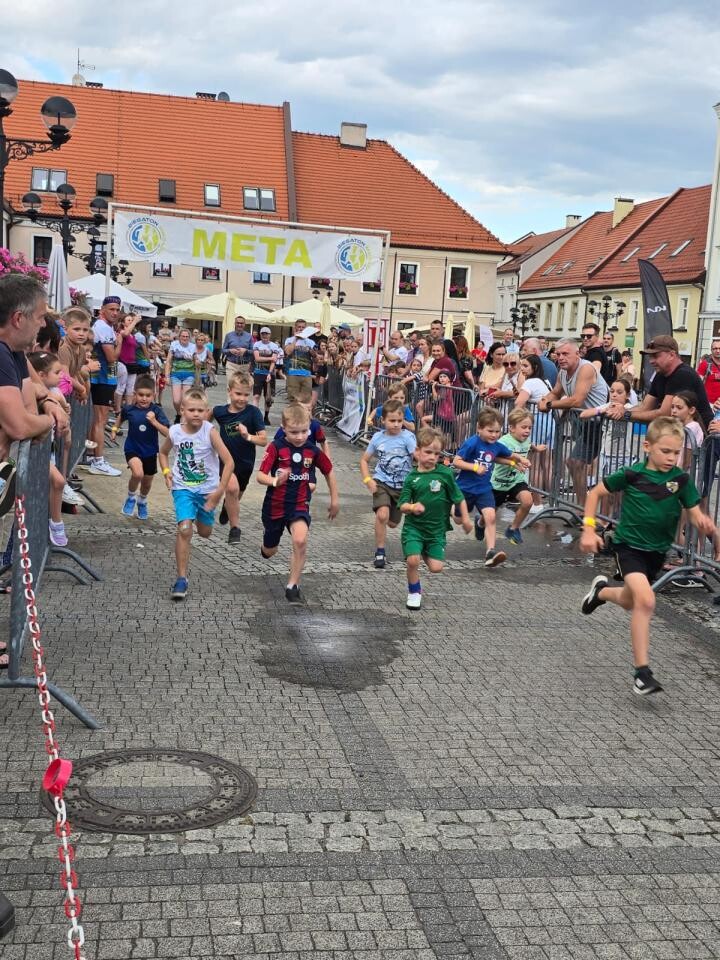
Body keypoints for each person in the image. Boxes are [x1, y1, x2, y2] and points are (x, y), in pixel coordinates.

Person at [580, 417, 716, 696]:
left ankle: (602, 592)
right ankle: (642, 673)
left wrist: (702, 520)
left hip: (656, 552)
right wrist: (588, 529)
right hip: (628, 547)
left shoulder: (680, 480)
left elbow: (692, 510)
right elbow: (594, 494)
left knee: (631, 600)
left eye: (676, 452)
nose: (671, 457)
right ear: (647, 446)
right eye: (665, 451)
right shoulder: (631, 475)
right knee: (646, 600)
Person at [257, 403, 339, 603]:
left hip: (299, 504)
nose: (300, 436)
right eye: (294, 432)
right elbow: (260, 476)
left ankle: (293, 585)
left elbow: (328, 471)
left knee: (300, 540)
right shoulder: (276, 447)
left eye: (304, 431)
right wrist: (275, 481)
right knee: (270, 551)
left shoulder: (312, 451)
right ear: (283, 429)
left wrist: (334, 499)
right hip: (275, 506)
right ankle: (267, 546)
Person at [159, 389, 234, 600]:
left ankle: (204, 520)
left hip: (207, 491)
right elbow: (163, 453)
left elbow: (229, 461)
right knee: (184, 529)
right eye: (191, 410)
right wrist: (166, 473)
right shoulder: (174, 432)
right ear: (182, 410)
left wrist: (220, 490)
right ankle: (181, 578)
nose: (196, 414)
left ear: (206, 411)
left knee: (205, 532)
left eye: (200, 410)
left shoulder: (210, 432)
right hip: (183, 489)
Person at [399, 425, 473, 610]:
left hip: (436, 530)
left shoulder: (445, 474)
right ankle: (414, 592)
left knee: (436, 567)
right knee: (413, 561)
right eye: (428, 452)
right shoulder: (411, 478)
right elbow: (402, 505)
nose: (432, 457)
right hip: (414, 528)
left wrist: (465, 519)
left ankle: (422, 549)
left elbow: (459, 498)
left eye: (437, 453)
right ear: (417, 452)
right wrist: (413, 506)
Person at [538, 338, 609, 507]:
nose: (561, 357)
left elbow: (577, 400)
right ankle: (582, 506)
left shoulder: (585, 369)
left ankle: (584, 508)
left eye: (565, 354)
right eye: (558, 354)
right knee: (576, 464)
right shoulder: (563, 371)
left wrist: (549, 404)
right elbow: (556, 392)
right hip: (581, 421)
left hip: (597, 423)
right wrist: (544, 399)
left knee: (575, 463)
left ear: (577, 354)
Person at [453, 408, 528, 567]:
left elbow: (504, 456)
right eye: (490, 431)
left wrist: (518, 461)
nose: (494, 435)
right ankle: (452, 509)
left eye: (497, 431)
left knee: (491, 516)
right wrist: (474, 467)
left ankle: (490, 552)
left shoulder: (496, 445)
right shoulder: (472, 443)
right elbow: (456, 461)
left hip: (484, 489)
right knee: (458, 520)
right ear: (479, 428)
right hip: (465, 488)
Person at [360, 398, 417, 569]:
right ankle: (380, 551)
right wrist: (368, 479)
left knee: (392, 523)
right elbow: (364, 460)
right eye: (392, 421)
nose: (396, 424)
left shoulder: (408, 437)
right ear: (383, 420)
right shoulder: (377, 438)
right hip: (382, 482)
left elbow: (418, 457)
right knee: (382, 515)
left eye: (399, 421)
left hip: (402, 486)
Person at [211, 372, 267, 544]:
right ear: (229, 391)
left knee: (236, 494)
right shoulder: (219, 411)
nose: (242, 398)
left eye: (246, 394)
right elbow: (203, 422)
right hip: (225, 461)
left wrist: (247, 436)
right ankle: (235, 529)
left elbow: (263, 440)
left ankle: (227, 508)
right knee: (232, 489)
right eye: (238, 393)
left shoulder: (253, 413)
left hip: (245, 464)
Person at [610, 336, 712, 429]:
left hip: (698, 440)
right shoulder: (660, 374)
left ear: (672, 355)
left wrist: (626, 414)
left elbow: (665, 413)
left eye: (655, 356)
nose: (651, 361)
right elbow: (645, 407)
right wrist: (619, 410)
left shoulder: (683, 374)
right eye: (650, 356)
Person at [109, 374, 170, 520]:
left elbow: (168, 432)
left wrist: (154, 422)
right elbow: (121, 417)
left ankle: (142, 500)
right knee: (137, 474)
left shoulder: (156, 411)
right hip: (132, 449)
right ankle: (130, 498)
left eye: (148, 395)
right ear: (135, 394)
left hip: (149, 451)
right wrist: (114, 429)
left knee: (147, 482)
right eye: (141, 395)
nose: (144, 398)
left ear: (153, 395)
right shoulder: (129, 409)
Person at [87, 297, 129, 476]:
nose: (115, 312)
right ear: (102, 309)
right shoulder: (103, 328)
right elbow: (112, 358)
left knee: (97, 419)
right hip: (102, 378)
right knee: (100, 420)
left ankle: (91, 455)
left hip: (103, 378)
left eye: (117, 309)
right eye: (111, 309)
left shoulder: (104, 327)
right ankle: (98, 460)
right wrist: (119, 342)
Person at [491, 408, 536, 544]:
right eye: (523, 427)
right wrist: (513, 462)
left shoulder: (526, 441)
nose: (527, 431)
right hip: (499, 482)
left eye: (529, 428)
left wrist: (537, 448)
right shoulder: (504, 442)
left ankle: (513, 528)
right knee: (489, 515)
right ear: (511, 428)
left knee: (528, 502)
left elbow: (529, 446)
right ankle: (480, 523)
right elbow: (494, 457)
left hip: (517, 480)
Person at [165, 327, 197, 421]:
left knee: (184, 399)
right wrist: (167, 376)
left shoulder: (193, 346)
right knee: (176, 400)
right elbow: (168, 361)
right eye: (183, 336)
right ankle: (179, 414)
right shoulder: (174, 345)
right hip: (176, 374)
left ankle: (183, 417)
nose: (185, 338)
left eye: (187, 336)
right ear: (179, 337)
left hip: (189, 374)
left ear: (189, 337)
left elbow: (196, 361)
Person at [252, 326, 281, 424]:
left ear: (269, 335)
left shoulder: (274, 346)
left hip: (270, 374)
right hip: (258, 372)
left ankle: (266, 416)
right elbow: (257, 358)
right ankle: (255, 416)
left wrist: (269, 372)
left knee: (268, 397)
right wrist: (269, 359)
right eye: (263, 334)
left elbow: (274, 361)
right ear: (260, 335)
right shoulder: (257, 344)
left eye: (266, 334)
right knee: (256, 395)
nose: (264, 335)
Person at [283, 319, 316, 404]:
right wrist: (296, 339)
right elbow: (288, 352)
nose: (301, 329)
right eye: (299, 327)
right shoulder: (289, 340)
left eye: (303, 327)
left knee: (306, 400)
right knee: (293, 400)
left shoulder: (310, 342)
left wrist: (313, 352)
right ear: (295, 328)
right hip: (293, 373)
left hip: (306, 374)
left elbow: (316, 358)